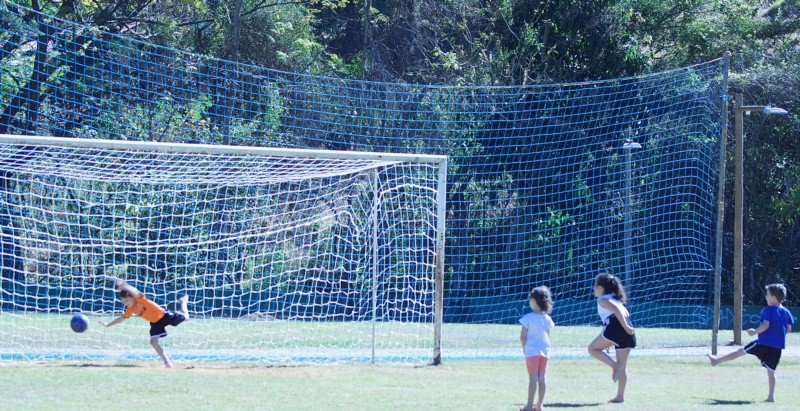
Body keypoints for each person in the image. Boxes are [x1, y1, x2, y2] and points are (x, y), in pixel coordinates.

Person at [708, 283, 794, 402]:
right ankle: (770, 397)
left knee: (740, 351)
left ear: (774, 297)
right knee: (771, 372)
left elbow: (765, 325)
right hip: (777, 347)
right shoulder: (786, 312)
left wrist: (754, 332)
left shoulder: (768, 310)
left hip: (763, 343)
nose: (766, 297)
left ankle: (716, 360)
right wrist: (779, 335)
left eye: (767, 295)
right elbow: (788, 328)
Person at [99, 278, 189, 368]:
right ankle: (167, 363)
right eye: (123, 301)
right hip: (155, 323)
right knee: (153, 342)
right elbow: (121, 319)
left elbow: (135, 291)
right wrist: (107, 325)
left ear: (133, 298)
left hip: (165, 316)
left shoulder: (140, 300)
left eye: (126, 300)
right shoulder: (130, 309)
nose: (125, 303)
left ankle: (183, 302)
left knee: (186, 318)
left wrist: (125, 286)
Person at [587, 272, 635, 404]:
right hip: (628, 331)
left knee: (592, 349)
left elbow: (617, 311)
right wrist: (627, 327)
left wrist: (624, 326)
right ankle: (620, 397)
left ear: (601, 288)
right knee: (623, 366)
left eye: (595, 286)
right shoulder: (616, 299)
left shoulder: (603, 299)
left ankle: (614, 366)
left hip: (618, 328)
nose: (593, 289)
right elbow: (623, 311)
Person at [519, 285, 555, 411]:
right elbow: (548, 335)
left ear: (533, 301)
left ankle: (529, 405)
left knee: (533, 378)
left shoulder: (528, 318)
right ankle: (539, 405)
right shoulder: (547, 318)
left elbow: (523, 337)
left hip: (532, 351)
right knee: (542, 377)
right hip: (545, 351)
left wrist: (525, 348)